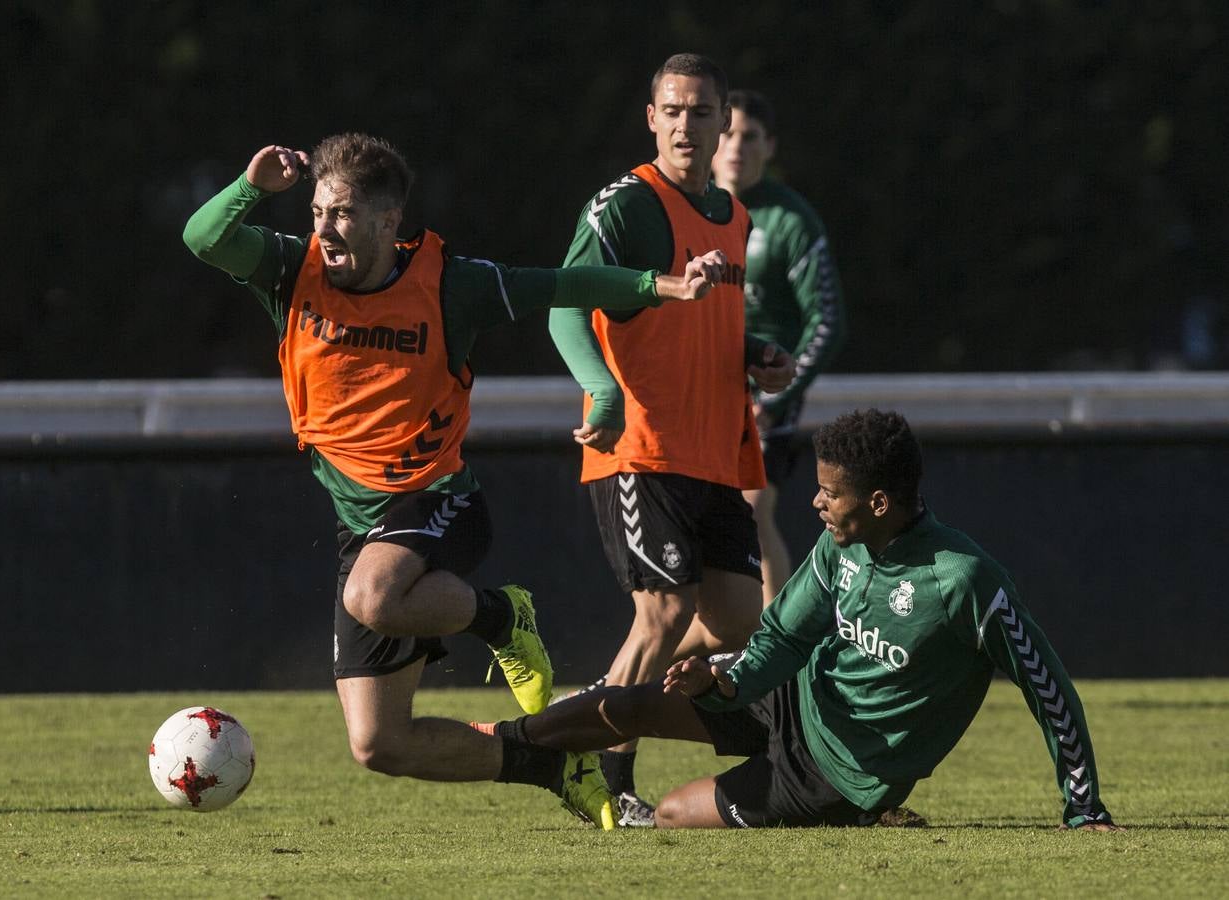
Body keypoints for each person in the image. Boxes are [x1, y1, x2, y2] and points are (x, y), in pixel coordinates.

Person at [184, 134, 732, 829]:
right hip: (366, 527)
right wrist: (253, 186)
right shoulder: (292, 270)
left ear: (388, 222)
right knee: (379, 744)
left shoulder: (450, 284)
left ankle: (503, 615)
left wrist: (662, 285)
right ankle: (550, 763)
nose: (323, 228)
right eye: (318, 211)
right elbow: (203, 238)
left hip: (439, 503)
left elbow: (558, 284)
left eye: (343, 213)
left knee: (372, 596)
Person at [480, 409, 1119, 831]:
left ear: (877, 501)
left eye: (828, 492)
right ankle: (511, 739)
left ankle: (866, 816)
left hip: (835, 777)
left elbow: (1048, 688)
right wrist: (725, 683)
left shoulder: (963, 580)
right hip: (789, 698)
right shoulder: (840, 544)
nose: (815, 501)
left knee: (672, 814)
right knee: (628, 706)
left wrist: (1083, 807)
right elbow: (783, 636)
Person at [548, 53, 797, 825]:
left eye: (702, 112)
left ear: (724, 123)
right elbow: (563, 304)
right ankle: (605, 775)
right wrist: (601, 390)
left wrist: (756, 356)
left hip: (713, 451)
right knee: (661, 617)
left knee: (735, 620)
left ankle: (591, 708)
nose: (688, 124)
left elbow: (709, 323)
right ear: (651, 118)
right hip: (642, 448)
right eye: (674, 110)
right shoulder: (625, 205)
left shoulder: (733, 214)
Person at [712, 88, 847, 604]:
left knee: (751, 506)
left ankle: (776, 653)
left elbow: (828, 320)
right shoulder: (685, 210)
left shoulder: (790, 220)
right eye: (727, 133)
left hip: (764, 395)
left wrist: (781, 391)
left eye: (749, 137)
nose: (735, 147)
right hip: (699, 387)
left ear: (770, 147)